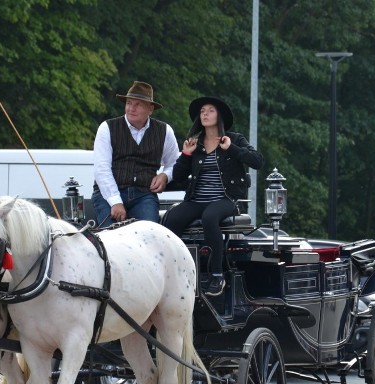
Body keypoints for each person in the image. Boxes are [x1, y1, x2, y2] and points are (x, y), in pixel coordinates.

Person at [162, 96, 263, 296]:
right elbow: (180, 175)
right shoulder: (195, 143)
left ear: (220, 116)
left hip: (225, 199)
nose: (205, 114)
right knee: (170, 219)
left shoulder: (234, 139)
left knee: (210, 217)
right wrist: (186, 154)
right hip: (197, 199)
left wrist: (231, 148)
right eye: (202, 111)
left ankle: (217, 274)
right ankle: (175, 271)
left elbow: (257, 161)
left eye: (210, 110)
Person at [92, 81, 180, 228]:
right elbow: (102, 169)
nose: (131, 108)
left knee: (150, 235)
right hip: (108, 194)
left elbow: (175, 164)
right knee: (111, 238)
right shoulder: (107, 128)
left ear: (150, 109)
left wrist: (165, 176)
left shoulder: (165, 131)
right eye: (129, 103)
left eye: (138, 104)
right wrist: (115, 201)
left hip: (143, 195)